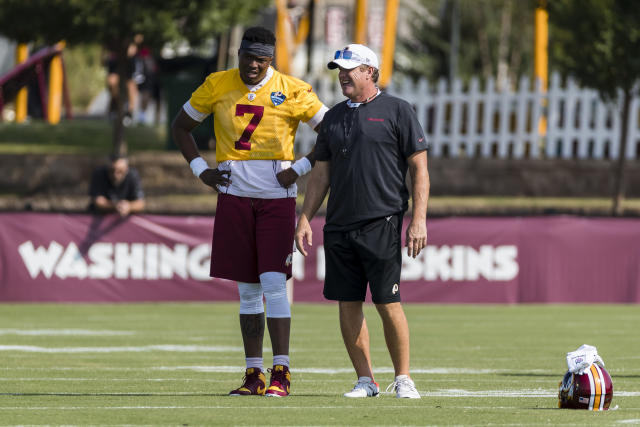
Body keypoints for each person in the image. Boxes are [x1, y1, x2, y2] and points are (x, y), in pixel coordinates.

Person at [171, 26, 327, 397]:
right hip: (234, 194)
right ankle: (253, 374)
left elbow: (334, 131)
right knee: (246, 291)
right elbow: (181, 127)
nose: (253, 65)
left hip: (276, 198)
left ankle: (282, 372)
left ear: (270, 60)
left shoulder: (293, 89)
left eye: (261, 59)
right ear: (238, 54)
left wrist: (301, 168)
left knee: (274, 285)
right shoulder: (217, 84)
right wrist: (201, 170)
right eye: (248, 57)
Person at [295, 44, 430, 399]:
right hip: (339, 225)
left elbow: (420, 169)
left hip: (382, 222)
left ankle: (403, 379)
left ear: (370, 71)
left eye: (350, 69)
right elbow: (321, 175)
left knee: (387, 302)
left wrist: (419, 219)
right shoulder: (334, 118)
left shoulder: (398, 110)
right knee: (348, 302)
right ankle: (365, 380)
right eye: (339, 70)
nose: (342, 75)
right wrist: (305, 218)